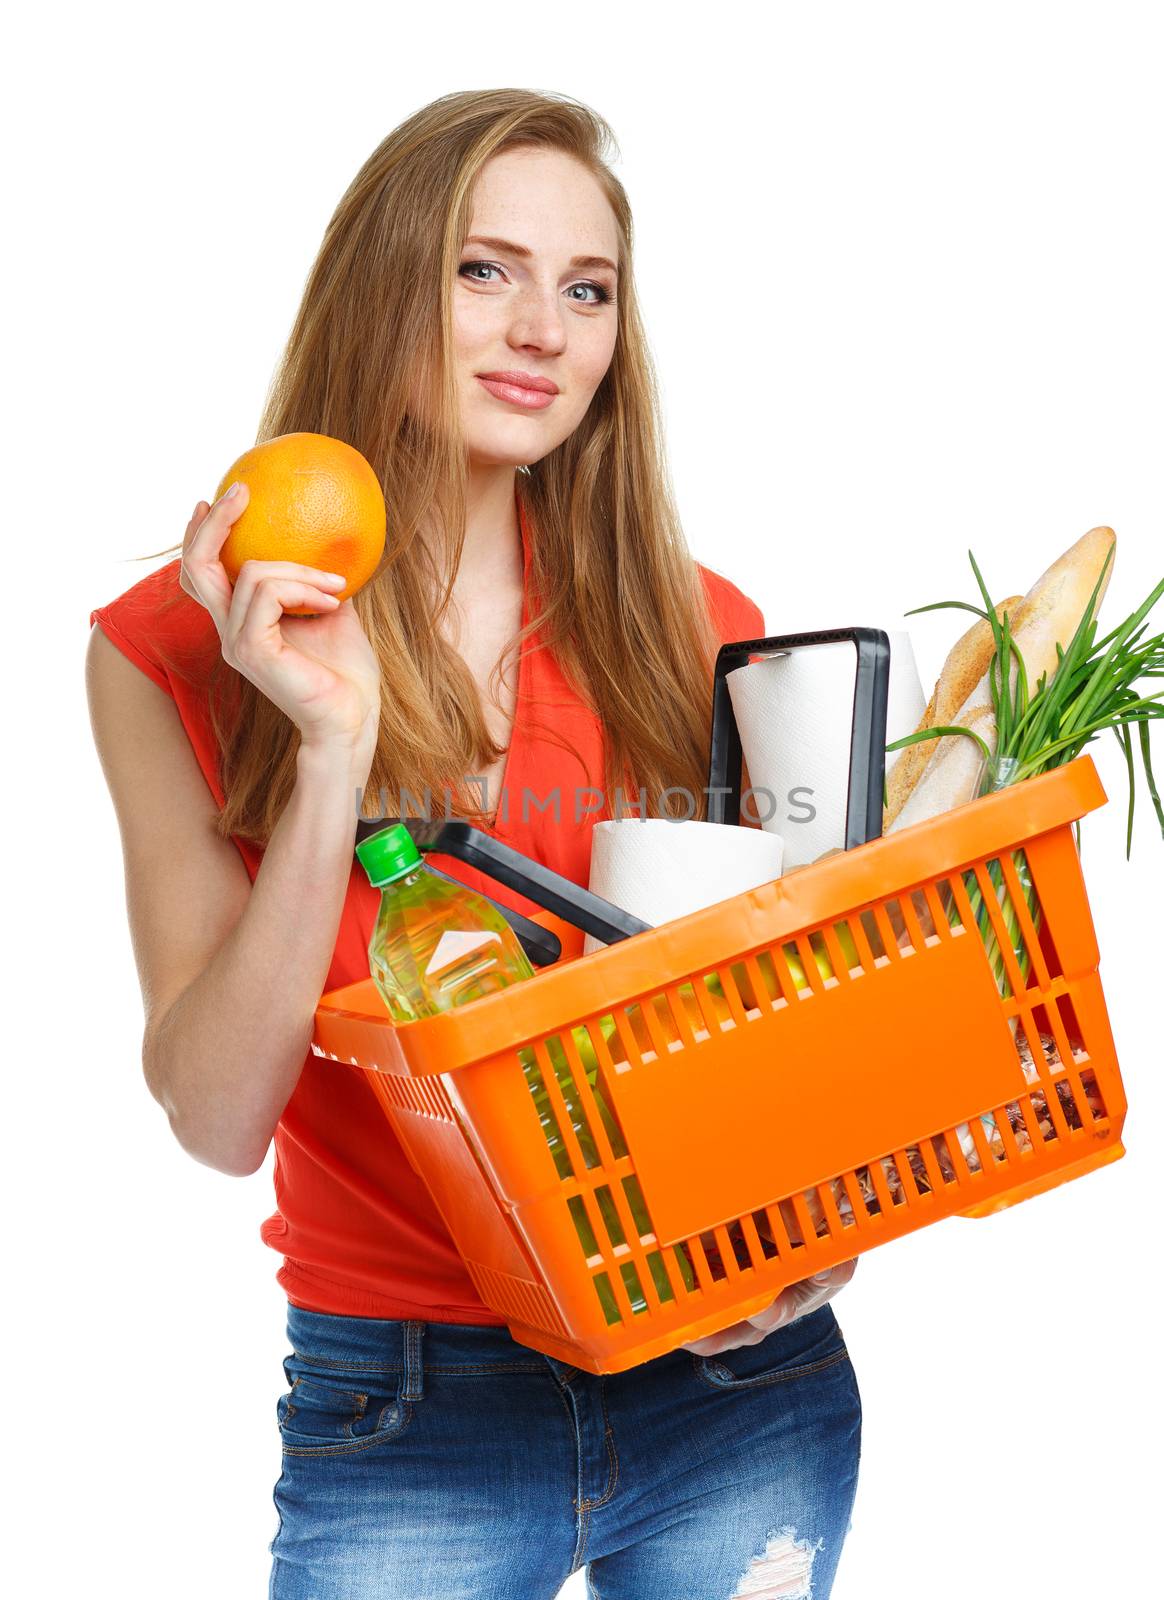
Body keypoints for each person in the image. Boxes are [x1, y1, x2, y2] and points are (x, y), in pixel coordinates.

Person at [86, 88, 860, 1600]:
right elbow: (216, 1117)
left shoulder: (706, 635)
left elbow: (774, 1034)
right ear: (384, 283)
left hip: (735, 1395)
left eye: (588, 291)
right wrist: (327, 760)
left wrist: (814, 1225)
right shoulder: (173, 651)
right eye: (484, 269)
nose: (544, 332)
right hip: (413, 1411)